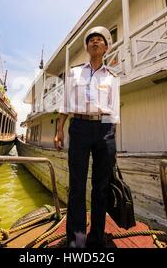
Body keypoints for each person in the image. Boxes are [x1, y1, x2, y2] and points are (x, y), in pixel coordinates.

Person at [54, 26, 120, 248]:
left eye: (99, 39)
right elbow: (65, 104)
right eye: (91, 39)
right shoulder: (74, 73)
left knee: (101, 187)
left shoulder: (112, 77)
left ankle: (97, 239)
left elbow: (113, 110)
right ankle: (77, 241)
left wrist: (112, 140)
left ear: (106, 46)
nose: (94, 41)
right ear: (87, 46)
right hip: (79, 126)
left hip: (104, 129)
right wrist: (60, 129)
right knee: (77, 185)